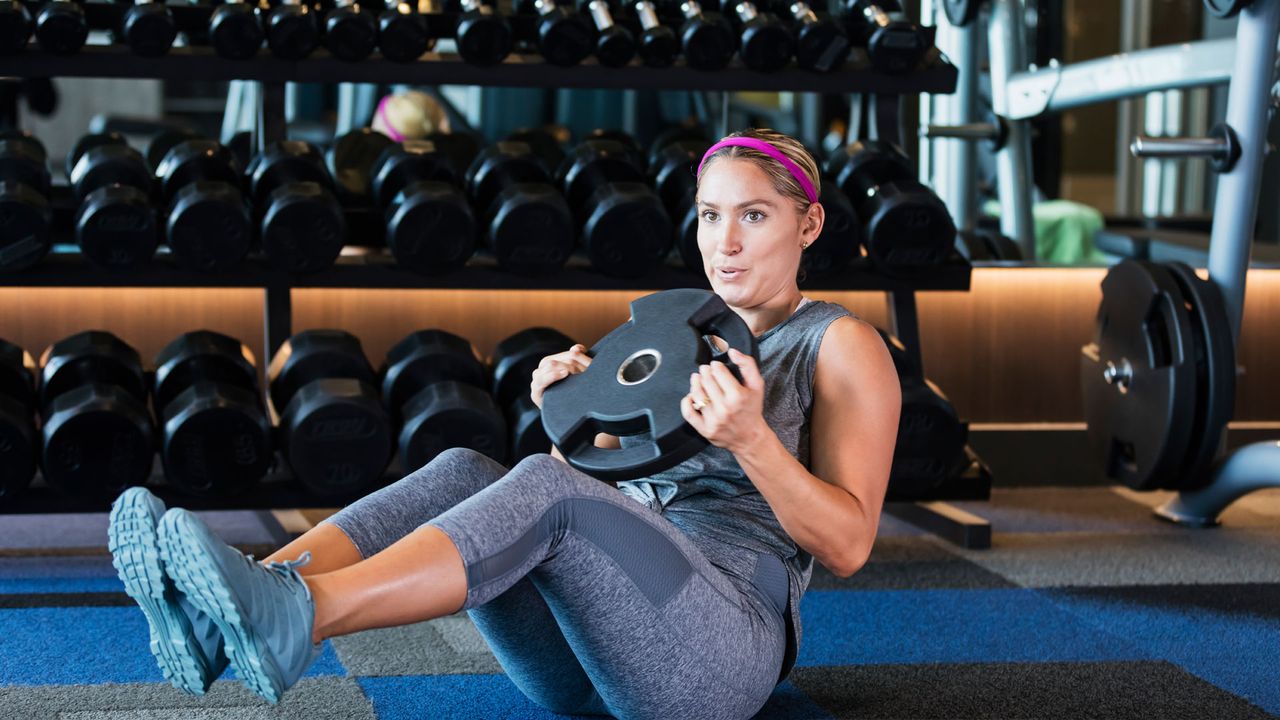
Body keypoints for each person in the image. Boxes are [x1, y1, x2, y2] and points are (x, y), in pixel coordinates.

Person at [107, 127, 901, 720]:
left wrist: (753, 441)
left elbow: (849, 544)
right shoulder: (686, 332)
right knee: (463, 466)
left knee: (546, 489)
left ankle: (299, 615)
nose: (723, 243)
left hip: (717, 656)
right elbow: (607, 497)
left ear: (809, 225)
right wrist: (582, 418)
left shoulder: (840, 345)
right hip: (597, 655)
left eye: (754, 216)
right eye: (708, 215)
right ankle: (222, 618)